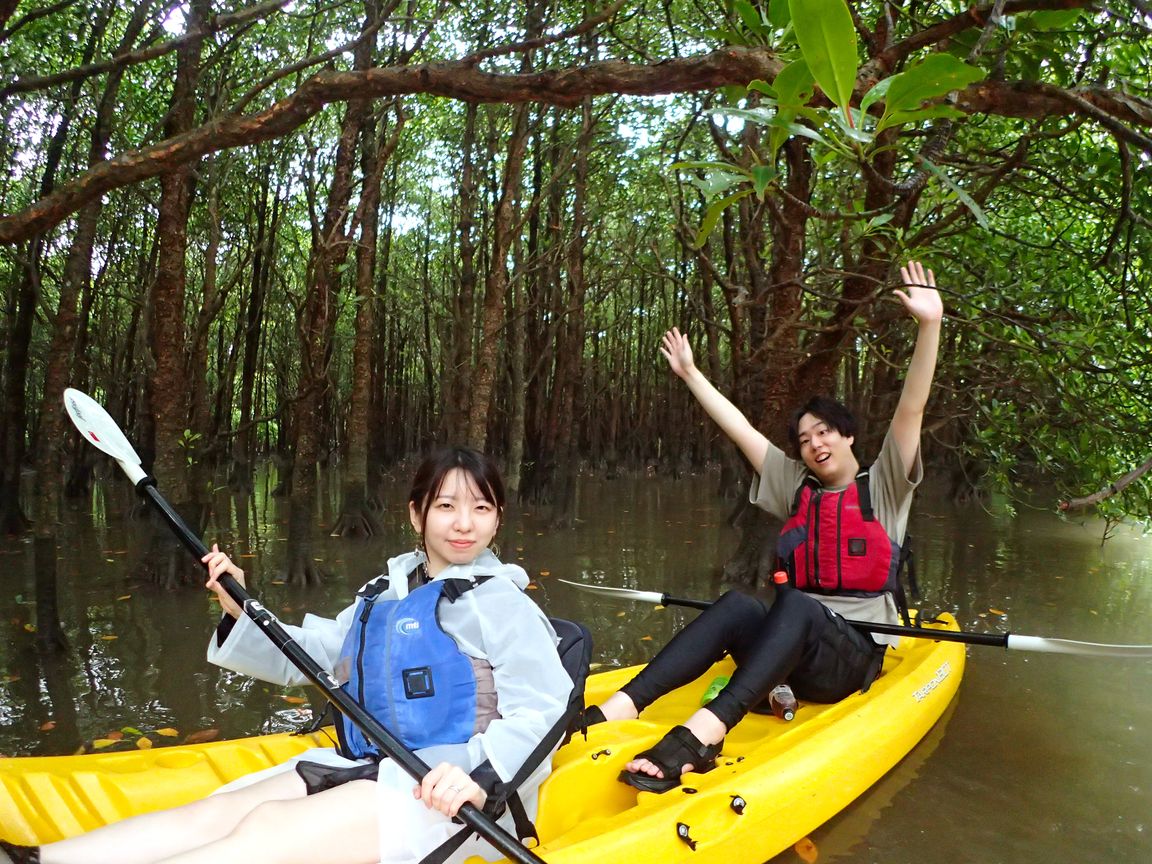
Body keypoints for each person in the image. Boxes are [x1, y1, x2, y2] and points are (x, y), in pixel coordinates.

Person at [9, 447, 573, 864]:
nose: (463, 523)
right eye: (446, 505)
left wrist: (478, 776)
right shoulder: (385, 594)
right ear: (415, 514)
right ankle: (41, 858)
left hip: (460, 794)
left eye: (481, 507)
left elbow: (545, 709)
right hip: (376, 766)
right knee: (221, 810)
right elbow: (315, 658)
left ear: (498, 519)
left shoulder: (503, 604)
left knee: (266, 835)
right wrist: (241, 610)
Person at [587, 260, 942, 793]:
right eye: (804, 439)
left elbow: (911, 410)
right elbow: (740, 429)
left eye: (825, 432)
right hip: (789, 655)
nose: (815, 444)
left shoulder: (885, 484)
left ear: (847, 437)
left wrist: (929, 326)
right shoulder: (795, 486)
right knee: (736, 604)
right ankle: (616, 709)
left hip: (846, 664)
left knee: (796, 604)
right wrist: (689, 373)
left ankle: (701, 736)